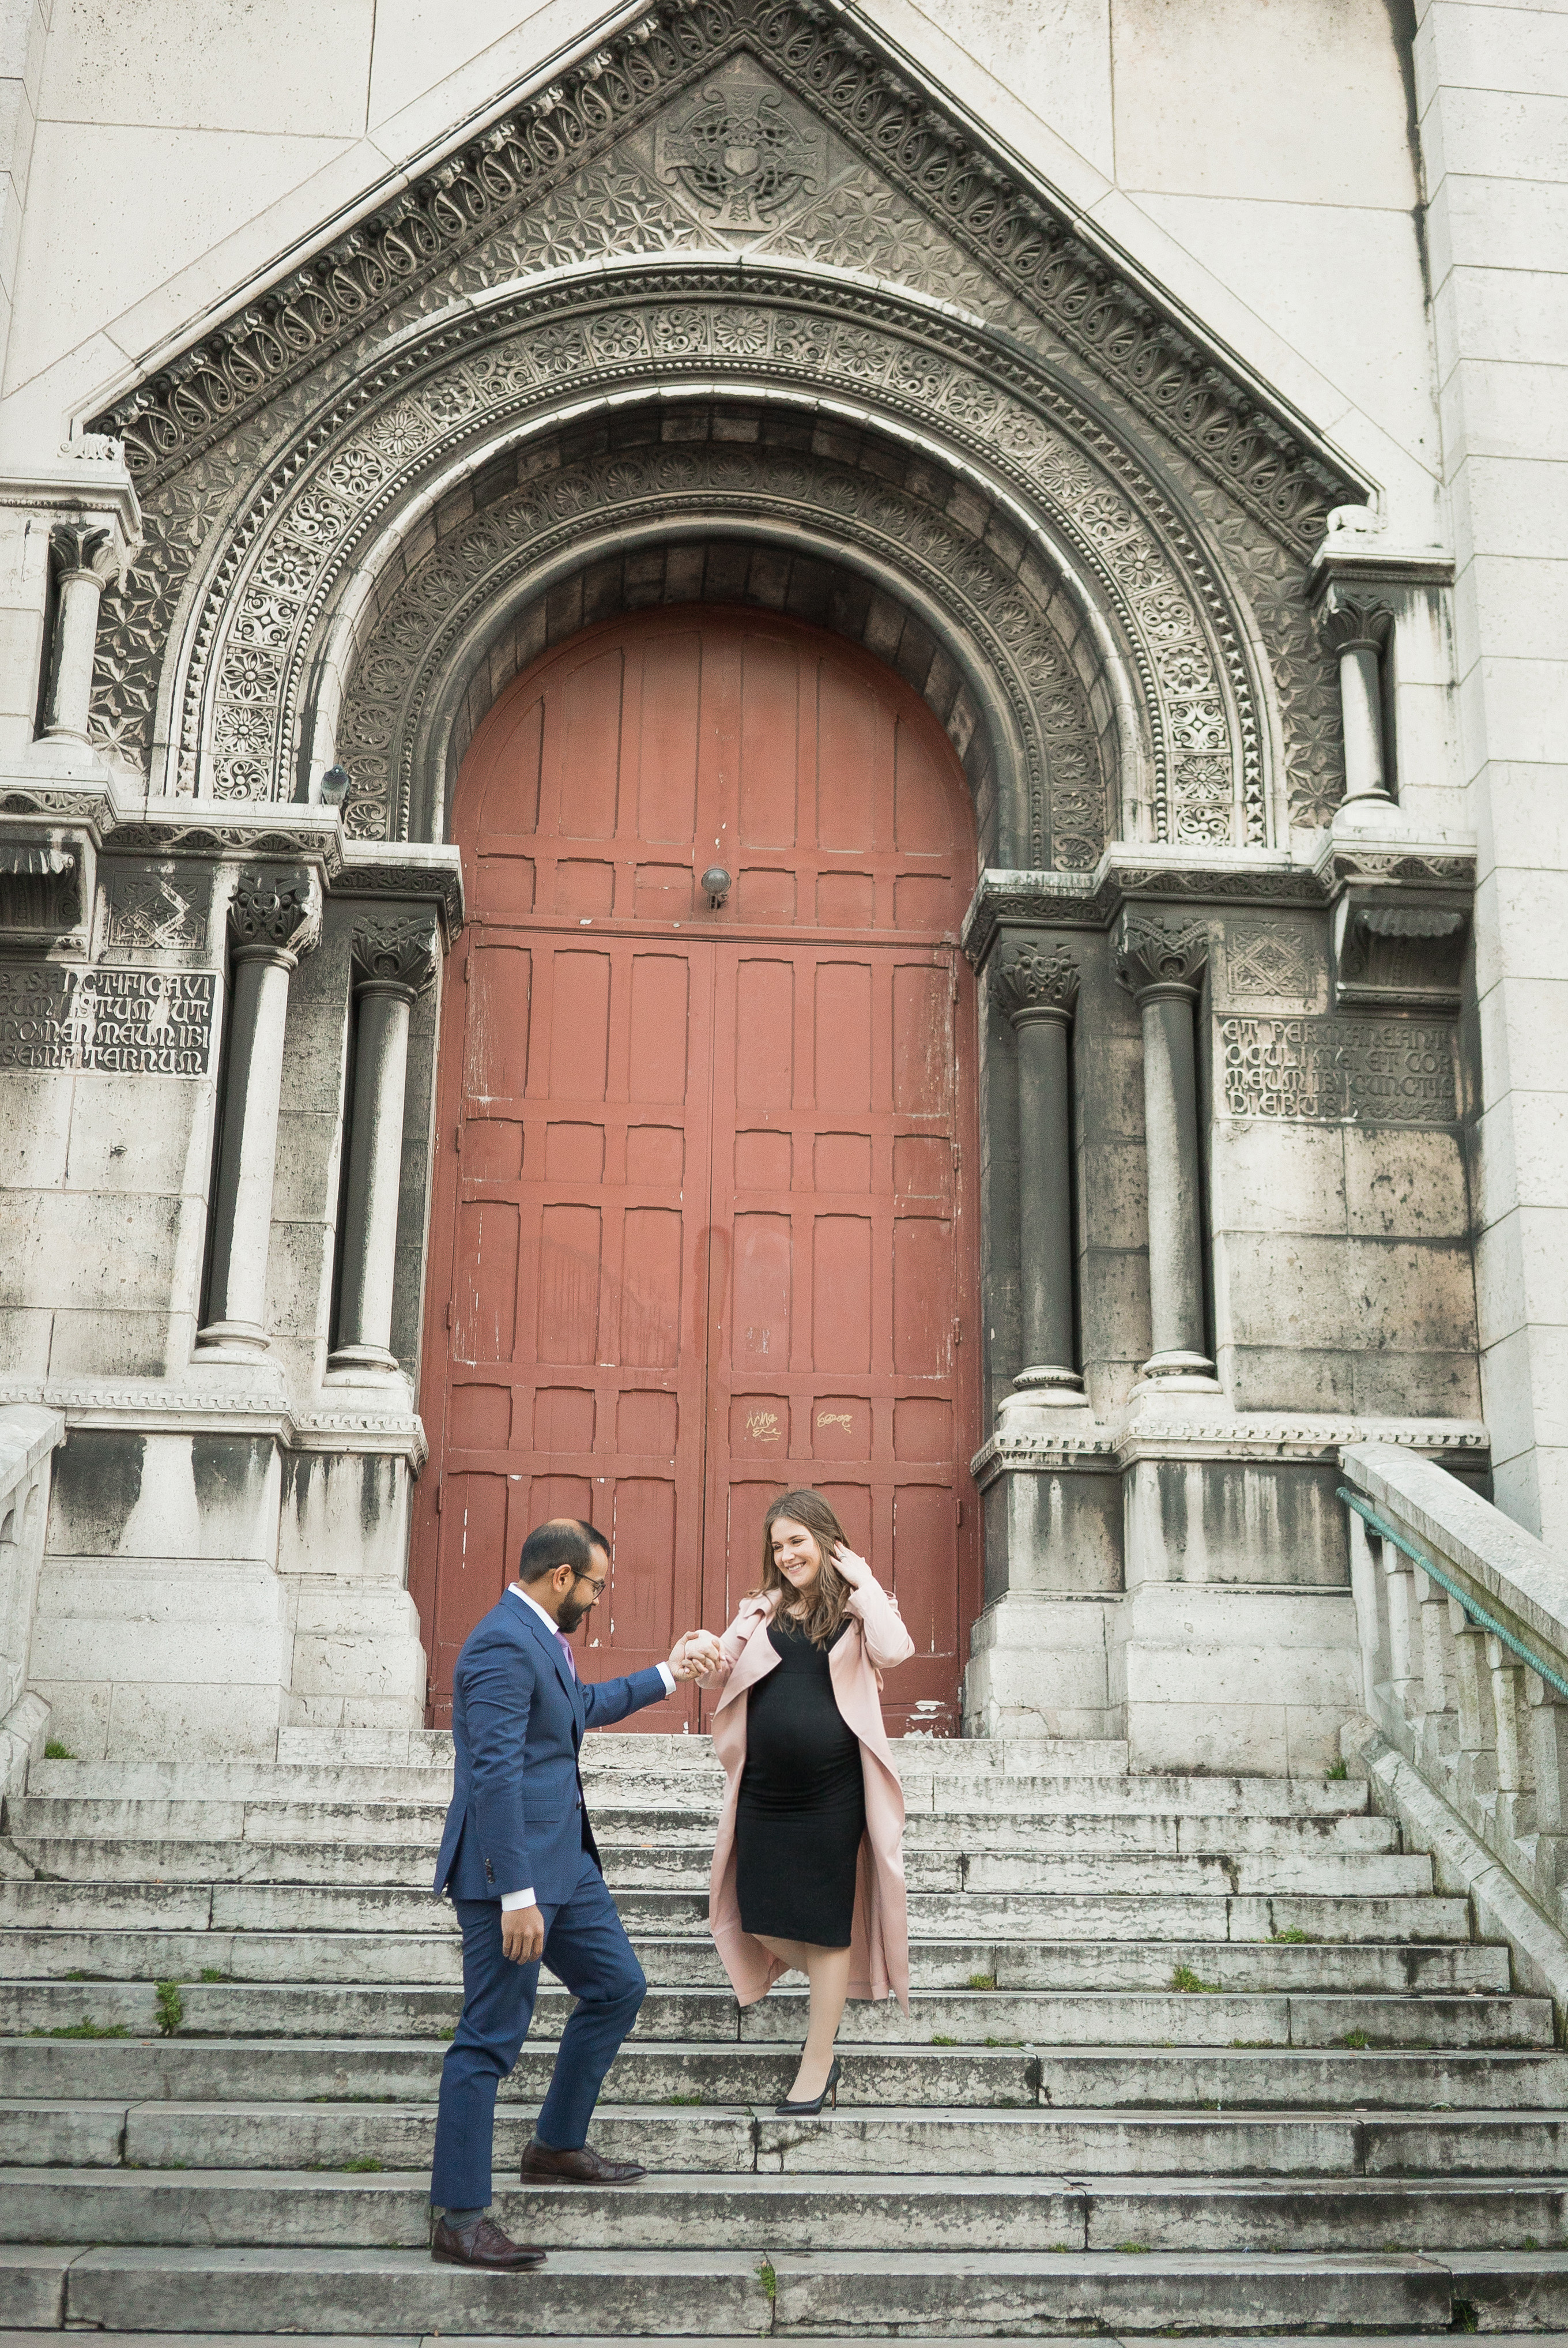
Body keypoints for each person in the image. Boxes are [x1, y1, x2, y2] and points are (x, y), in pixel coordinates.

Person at [428, 1515, 722, 2271]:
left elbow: (579, 1710)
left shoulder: (536, 1641)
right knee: (489, 2039)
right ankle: (460, 2217)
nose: (596, 1599)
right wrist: (514, 1893)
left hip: (568, 1867)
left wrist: (670, 1672)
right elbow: (491, 1774)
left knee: (617, 1987)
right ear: (561, 1577)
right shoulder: (499, 1644)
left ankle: (555, 2143)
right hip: (516, 1876)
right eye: (595, 1585)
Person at [698, 1488, 914, 2112]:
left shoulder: (860, 1609)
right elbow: (720, 1666)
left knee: (824, 1927)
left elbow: (895, 1651)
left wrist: (862, 1577)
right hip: (764, 1792)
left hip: (833, 1793)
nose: (787, 1554)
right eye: (777, 1545)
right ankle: (832, 1981)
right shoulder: (760, 1611)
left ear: (826, 1541)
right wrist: (697, 1651)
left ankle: (816, 2064)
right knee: (757, 1913)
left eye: (797, 1541)